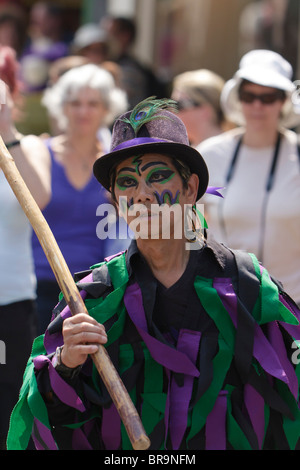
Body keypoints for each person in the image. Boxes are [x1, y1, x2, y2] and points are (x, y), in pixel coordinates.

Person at [7, 97, 300, 450]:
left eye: (158, 177)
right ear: (115, 201)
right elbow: (49, 415)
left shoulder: (247, 284)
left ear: (190, 188)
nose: (142, 195)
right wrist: (65, 363)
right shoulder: (94, 298)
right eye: (127, 183)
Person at [198, 49, 300, 306]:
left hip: (292, 305)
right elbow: (188, 228)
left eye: (268, 97)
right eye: (249, 96)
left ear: (284, 101)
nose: (257, 106)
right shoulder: (210, 154)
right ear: (238, 98)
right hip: (224, 303)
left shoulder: (296, 153)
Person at [32, 63, 129, 334]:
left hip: (95, 290)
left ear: (106, 108)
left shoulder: (118, 164)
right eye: (75, 103)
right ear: (62, 107)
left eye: (92, 103)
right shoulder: (40, 153)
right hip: (39, 286)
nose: (83, 111)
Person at [0, 46, 50, 450]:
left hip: (11, 303)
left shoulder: (27, 145)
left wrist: (6, 128)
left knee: (8, 409)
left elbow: (38, 198)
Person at [103, 16, 167, 108]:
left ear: (125, 36)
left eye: (110, 34)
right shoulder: (116, 63)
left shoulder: (130, 71)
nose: (105, 39)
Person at [171, 69, 227, 147]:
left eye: (178, 105)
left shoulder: (226, 152)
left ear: (205, 110)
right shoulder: (191, 152)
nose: (171, 111)